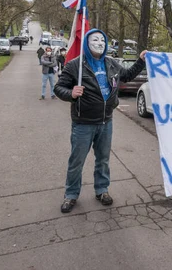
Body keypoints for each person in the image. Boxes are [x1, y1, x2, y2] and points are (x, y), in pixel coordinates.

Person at [54, 29, 147, 213]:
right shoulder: (76, 66)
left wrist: (141, 61)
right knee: (76, 161)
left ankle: (102, 190)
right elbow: (59, 87)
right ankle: (71, 194)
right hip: (83, 123)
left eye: (103, 40)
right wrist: (71, 94)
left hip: (106, 121)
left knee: (103, 160)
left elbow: (126, 76)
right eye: (95, 39)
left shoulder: (111, 64)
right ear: (87, 44)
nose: (100, 43)